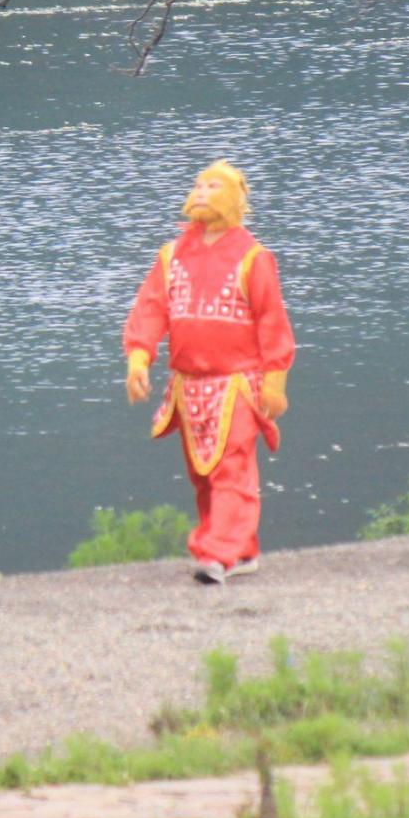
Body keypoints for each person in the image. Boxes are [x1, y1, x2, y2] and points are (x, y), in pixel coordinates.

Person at [122, 161, 296, 584]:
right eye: (198, 184)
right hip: (188, 383)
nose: (200, 192)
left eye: (212, 185)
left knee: (231, 468)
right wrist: (138, 358)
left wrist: (275, 379)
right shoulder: (171, 256)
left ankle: (218, 553)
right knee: (203, 473)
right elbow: (151, 308)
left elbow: (272, 321)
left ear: (234, 197)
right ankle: (241, 550)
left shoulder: (254, 258)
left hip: (236, 383)